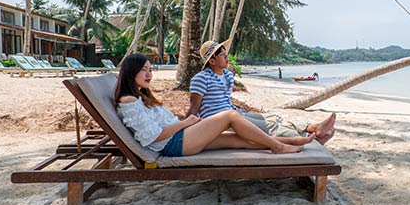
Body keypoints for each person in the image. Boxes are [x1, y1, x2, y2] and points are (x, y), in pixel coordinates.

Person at [115, 54, 310, 157]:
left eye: (150, 70)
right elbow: (153, 136)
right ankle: (278, 147)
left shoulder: (139, 96)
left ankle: (291, 142)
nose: (149, 74)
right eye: (144, 70)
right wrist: (186, 122)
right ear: (131, 71)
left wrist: (188, 124)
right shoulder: (129, 101)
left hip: (180, 137)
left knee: (237, 140)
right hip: (173, 143)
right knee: (230, 115)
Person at [187, 40, 336, 144]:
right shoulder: (200, 79)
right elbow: (194, 109)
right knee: (269, 126)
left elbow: (224, 97)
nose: (226, 57)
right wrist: (184, 132)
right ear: (212, 61)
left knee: (274, 118)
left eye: (225, 53)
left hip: (235, 113)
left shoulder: (226, 75)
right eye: (222, 55)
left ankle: (311, 128)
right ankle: (313, 140)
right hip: (219, 122)